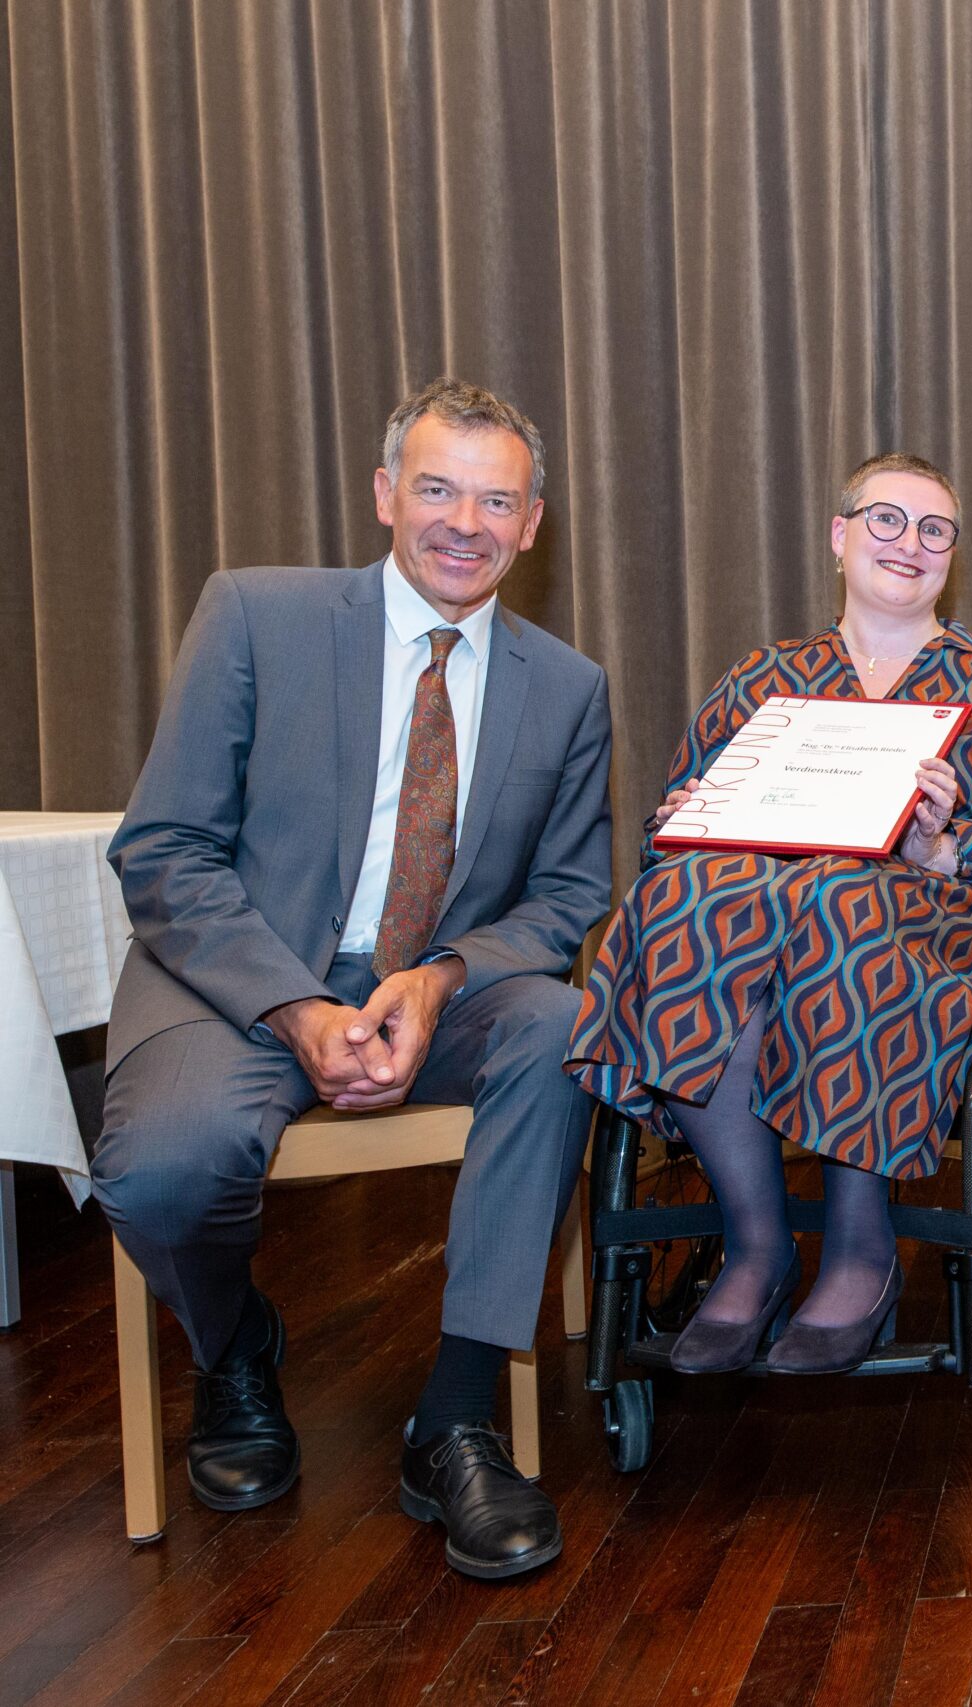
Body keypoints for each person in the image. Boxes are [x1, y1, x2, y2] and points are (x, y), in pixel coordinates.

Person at [92, 380, 611, 1579]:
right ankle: (232, 1346)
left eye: (497, 499)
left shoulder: (566, 685)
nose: (464, 523)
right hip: (240, 969)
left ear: (534, 524)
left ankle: (457, 1419)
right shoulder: (256, 616)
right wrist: (294, 1004)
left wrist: (438, 981)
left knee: (563, 1027)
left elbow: (569, 898)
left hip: (440, 982)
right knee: (166, 1167)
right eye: (436, 489)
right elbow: (164, 849)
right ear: (385, 496)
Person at [566, 452, 972, 1381]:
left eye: (935, 529)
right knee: (685, 901)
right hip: (772, 904)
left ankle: (862, 1251)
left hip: (954, 910)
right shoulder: (766, 680)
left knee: (839, 902)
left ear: (953, 556)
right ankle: (759, 1247)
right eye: (887, 519)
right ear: (840, 534)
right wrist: (713, 812)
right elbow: (672, 829)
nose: (910, 543)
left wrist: (951, 844)